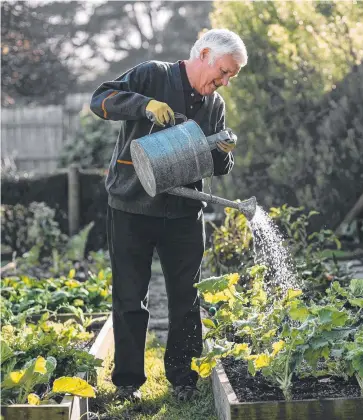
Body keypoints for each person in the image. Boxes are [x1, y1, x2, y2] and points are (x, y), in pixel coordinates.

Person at [89, 29, 247, 403]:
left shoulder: (215, 105)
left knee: (187, 298)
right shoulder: (153, 75)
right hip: (131, 204)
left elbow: (217, 165)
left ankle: (184, 380)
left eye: (230, 77)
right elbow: (100, 100)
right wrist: (143, 106)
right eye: (224, 71)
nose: (224, 81)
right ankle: (127, 383)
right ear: (205, 54)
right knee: (129, 296)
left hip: (183, 211)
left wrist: (224, 151)